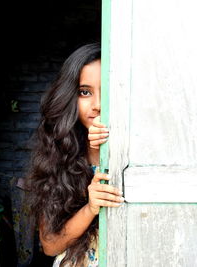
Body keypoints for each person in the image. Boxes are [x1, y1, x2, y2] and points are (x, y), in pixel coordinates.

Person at [26, 43, 124, 267]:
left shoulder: (144, 151)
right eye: (85, 92)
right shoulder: (59, 154)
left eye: (107, 92)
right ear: (70, 97)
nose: (98, 105)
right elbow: (50, 245)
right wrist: (90, 207)